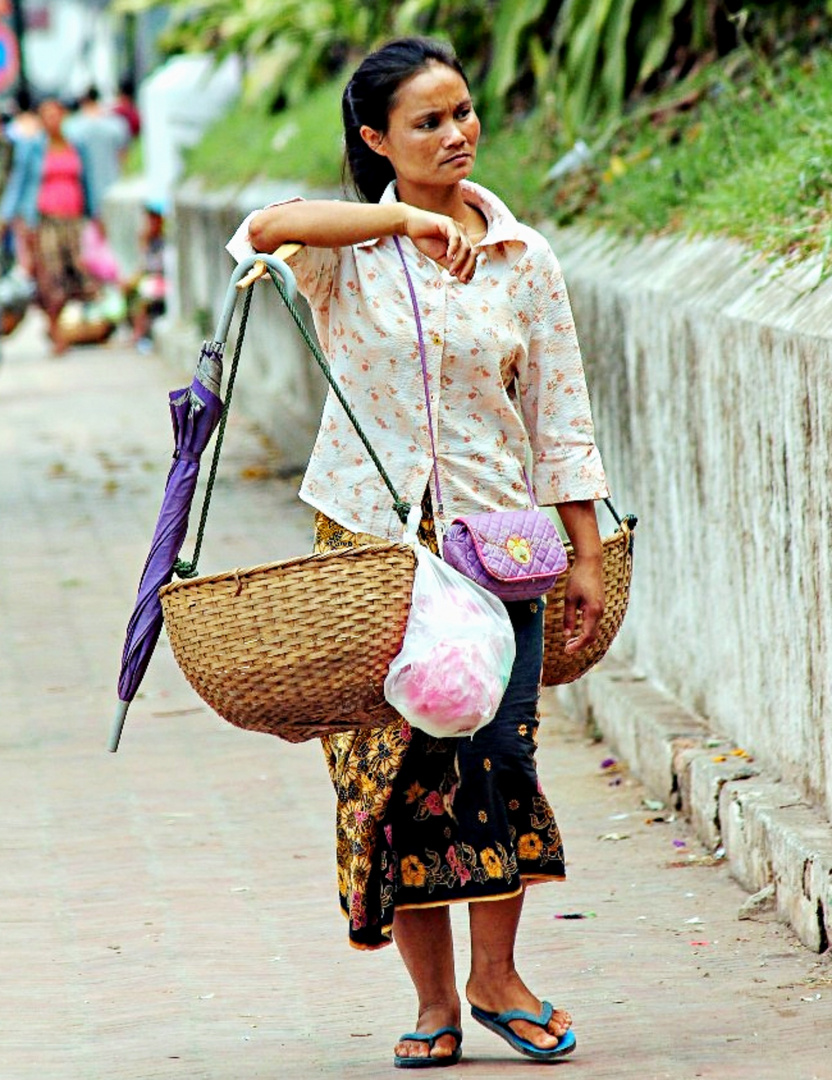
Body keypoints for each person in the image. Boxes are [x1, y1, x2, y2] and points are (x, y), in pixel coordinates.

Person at [227, 37, 608, 1069]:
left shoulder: (525, 259)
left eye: (463, 111)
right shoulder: (346, 252)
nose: (457, 134)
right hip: (369, 556)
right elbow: (261, 229)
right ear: (375, 139)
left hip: (496, 549)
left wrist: (585, 553)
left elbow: (560, 413)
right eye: (427, 121)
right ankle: (433, 1003)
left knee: (497, 763)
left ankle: (497, 978)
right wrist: (400, 216)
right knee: (391, 779)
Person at [1, 96, 98, 353]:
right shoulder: (33, 149)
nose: (52, 120)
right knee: (51, 277)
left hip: (74, 220)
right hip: (46, 221)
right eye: (47, 116)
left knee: (77, 274)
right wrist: (6, 217)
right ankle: (56, 329)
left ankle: (64, 326)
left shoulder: (75, 145)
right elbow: (19, 183)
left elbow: (87, 181)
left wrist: (95, 214)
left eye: (56, 115)